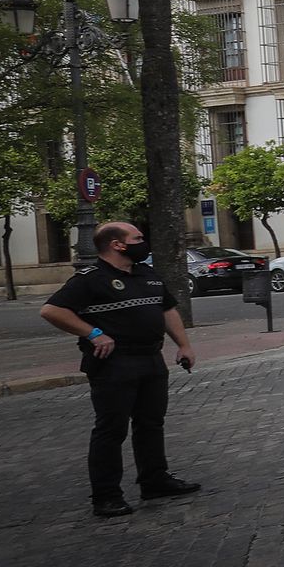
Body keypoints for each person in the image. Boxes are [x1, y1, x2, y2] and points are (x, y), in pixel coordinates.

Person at [39, 222, 200, 518]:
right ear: (117, 244)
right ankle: (106, 496)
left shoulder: (147, 274)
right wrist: (94, 333)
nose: (143, 242)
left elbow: (167, 310)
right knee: (111, 430)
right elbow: (51, 310)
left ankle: (154, 480)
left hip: (151, 359)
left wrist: (184, 345)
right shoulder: (90, 278)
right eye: (137, 238)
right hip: (114, 364)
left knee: (151, 423)